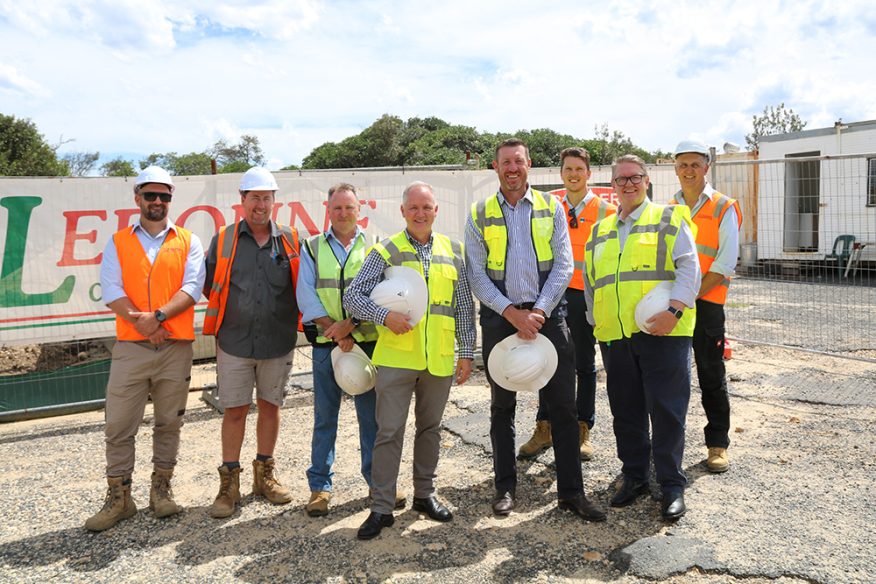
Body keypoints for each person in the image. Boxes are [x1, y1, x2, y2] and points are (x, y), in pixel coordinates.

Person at [465, 138, 606, 522]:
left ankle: (572, 493)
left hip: (548, 319)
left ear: (529, 165)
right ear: (495, 167)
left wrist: (539, 311)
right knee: (502, 407)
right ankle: (505, 488)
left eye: (518, 161)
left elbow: (564, 265)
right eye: (505, 162)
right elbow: (476, 274)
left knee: (563, 407)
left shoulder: (551, 207)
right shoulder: (479, 213)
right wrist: (512, 313)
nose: (512, 168)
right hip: (500, 321)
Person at [343, 181, 476, 540]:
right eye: (413, 207)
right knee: (389, 432)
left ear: (436, 211)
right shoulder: (386, 250)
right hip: (397, 358)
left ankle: (424, 495)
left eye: (426, 207)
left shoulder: (453, 251)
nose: (420, 213)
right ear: (402, 211)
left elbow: (464, 305)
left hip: (438, 359)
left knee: (430, 430)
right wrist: (384, 316)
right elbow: (353, 297)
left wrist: (466, 352)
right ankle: (381, 507)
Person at [85, 165, 206, 531]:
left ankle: (161, 491)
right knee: (119, 424)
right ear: (137, 197)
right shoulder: (118, 241)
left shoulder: (188, 241)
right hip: (131, 347)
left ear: (170, 199)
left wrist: (157, 317)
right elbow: (112, 289)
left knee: (169, 422)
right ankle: (120, 498)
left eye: (164, 196)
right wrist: (144, 324)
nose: (157, 201)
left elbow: (192, 287)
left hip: (174, 346)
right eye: (150, 194)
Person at [584, 154, 701, 520]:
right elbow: (591, 282)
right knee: (626, 411)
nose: (629, 184)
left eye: (635, 177)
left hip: (663, 332)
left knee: (666, 410)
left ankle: (671, 485)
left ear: (647, 181)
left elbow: (690, 267)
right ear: (613, 186)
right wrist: (595, 320)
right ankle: (635, 476)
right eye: (621, 179)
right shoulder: (600, 231)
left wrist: (674, 312)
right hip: (615, 335)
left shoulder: (668, 218)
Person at [296, 183, 404, 517]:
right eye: (337, 208)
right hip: (327, 345)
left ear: (360, 210)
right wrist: (335, 330)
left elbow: (382, 294)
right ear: (328, 210)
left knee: (371, 419)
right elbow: (306, 295)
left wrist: (351, 326)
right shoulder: (312, 247)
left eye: (349, 207)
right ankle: (320, 487)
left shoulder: (375, 246)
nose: (343, 213)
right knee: (325, 418)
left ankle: (377, 483)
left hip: (367, 344)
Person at [203, 166, 300, 518]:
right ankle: (229, 484)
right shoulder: (225, 239)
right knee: (235, 411)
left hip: (278, 341)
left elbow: (300, 284)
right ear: (242, 200)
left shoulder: (289, 239)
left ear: (275, 201)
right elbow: (210, 284)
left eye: (266, 198)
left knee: (270, 406)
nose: (260, 205)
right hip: (235, 343)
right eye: (254, 197)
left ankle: (264, 476)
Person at [518, 147, 617, 462]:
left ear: (589, 173)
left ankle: (582, 428)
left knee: (584, 365)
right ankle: (544, 427)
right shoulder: (548, 207)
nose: (574, 175)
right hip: (551, 295)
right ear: (560, 173)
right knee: (546, 362)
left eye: (579, 169)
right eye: (568, 169)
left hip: (585, 296)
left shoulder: (606, 211)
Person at [670, 140, 742, 473]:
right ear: (676, 168)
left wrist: (687, 295)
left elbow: (724, 263)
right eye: (683, 165)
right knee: (672, 376)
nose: (689, 170)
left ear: (706, 168)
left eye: (695, 164)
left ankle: (717, 444)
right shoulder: (670, 207)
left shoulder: (724, 207)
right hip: (675, 304)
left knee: (711, 375)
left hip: (706, 304)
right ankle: (669, 445)